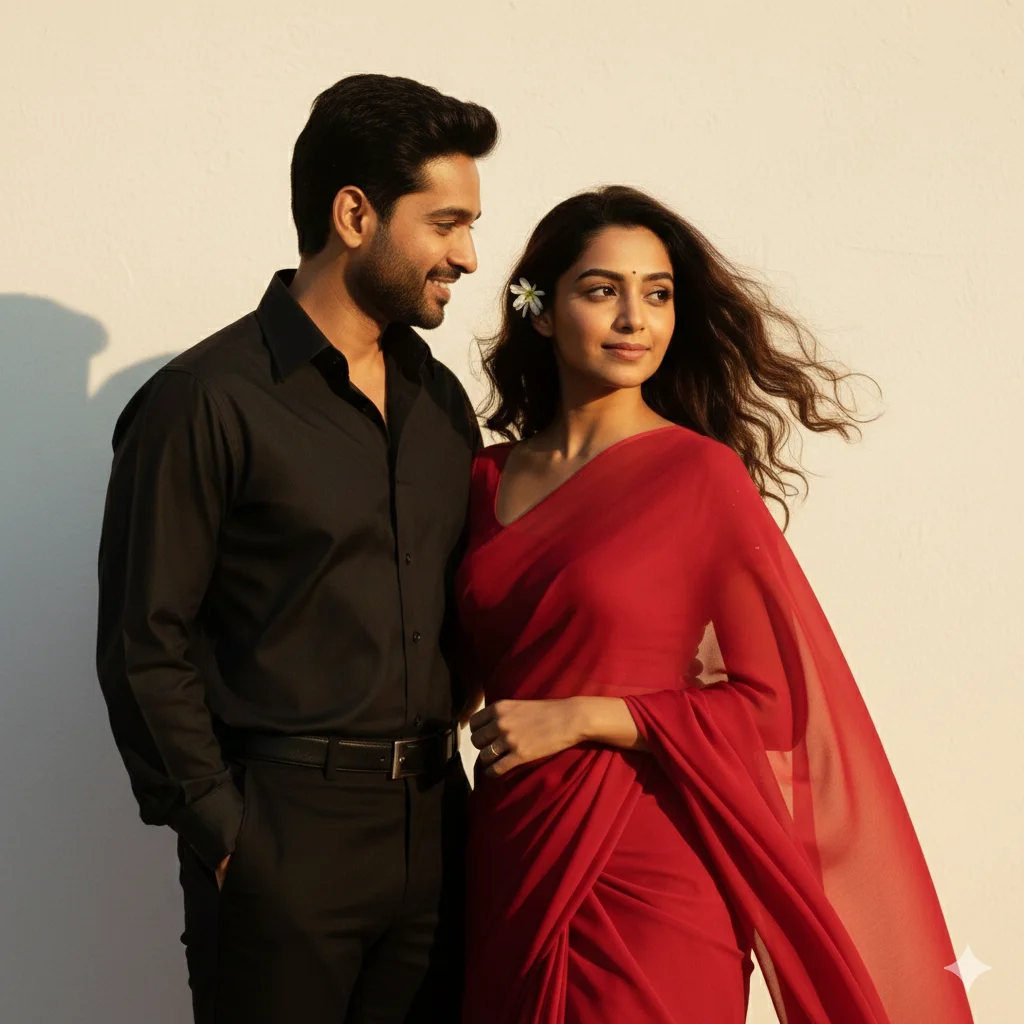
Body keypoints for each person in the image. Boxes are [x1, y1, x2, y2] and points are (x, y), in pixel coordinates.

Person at [456, 185, 975, 1023]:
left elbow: (775, 705)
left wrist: (590, 716)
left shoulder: (700, 478)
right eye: (602, 291)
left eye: (656, 294)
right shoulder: (483, 480)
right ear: (540, 312)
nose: (635, 319)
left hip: (652, 860)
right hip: (513, 846)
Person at [95, 74, 496, 1024]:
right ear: (355, 213)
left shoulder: (441, 404)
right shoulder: (205, 400)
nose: (470, 256)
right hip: (285, 839)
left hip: (440, 834)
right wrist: (230, 837)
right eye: (445, 223)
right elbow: (143, 643)